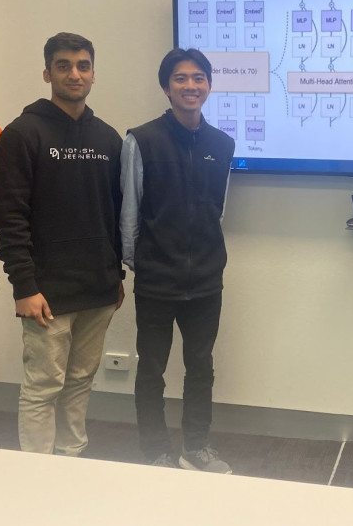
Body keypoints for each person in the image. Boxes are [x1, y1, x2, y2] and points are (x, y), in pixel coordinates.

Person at [0, 32, 125, 456]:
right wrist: (24, 287)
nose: (74, 74)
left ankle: (71, 462)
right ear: (47, 72)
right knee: (43, 387)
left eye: (83, 65)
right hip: (45, 293)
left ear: (93, 74)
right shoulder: (23, 133)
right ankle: (37, 476)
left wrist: (115, 275)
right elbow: (8, 217)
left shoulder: (108, 139)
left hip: (99, 289)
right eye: (64, 65)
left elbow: (114, 215)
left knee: (81, 381)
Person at [121, 47, 235, 472]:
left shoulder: (222, 143)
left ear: (209, 84)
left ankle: (196, 447)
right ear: (166, 86)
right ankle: (154, 448)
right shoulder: (142, 140)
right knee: (151, 369)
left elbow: (218, 209)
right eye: (181, 78)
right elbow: (129, 212)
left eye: (198, 78)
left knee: (201, 366)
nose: (191, 86)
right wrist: (137, 263)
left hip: (206, 279)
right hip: (156, 279)